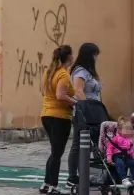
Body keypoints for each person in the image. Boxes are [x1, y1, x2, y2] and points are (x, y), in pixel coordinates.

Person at [38, 45, 77, 195]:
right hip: (60, 117)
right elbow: (60, 96)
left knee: (55, 152)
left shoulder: (48, 72)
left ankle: (46, 184)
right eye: (72, 54)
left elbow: (43, 92)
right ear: (69, 57)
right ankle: (53, 186)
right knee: (57, 153)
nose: (73, 57)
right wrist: (76, 102)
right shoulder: (63, 74)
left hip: (46, 114)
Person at [65, 43, 103, 190]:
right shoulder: (80, 72)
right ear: (89, 55)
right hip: (84, 114)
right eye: (95, 55)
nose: (96, 58)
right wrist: (88, 108)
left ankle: (88, 175)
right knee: (78, 145)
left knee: (92, 144)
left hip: (95, 113)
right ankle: (72, 177)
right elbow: (78, 91)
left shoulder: (89, 72)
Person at [105, 117, 134, 188]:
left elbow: (130, 148)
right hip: (117, 156)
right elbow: (110, 148)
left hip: (126, 156)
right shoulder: (116, 139)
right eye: (127, 129)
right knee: (120, 164)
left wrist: (132, 155)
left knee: (133, 163)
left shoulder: (130, 140)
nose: (130, 131)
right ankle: (124, 179)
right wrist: (109, 157)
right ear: (119, 130)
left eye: (131, 129)